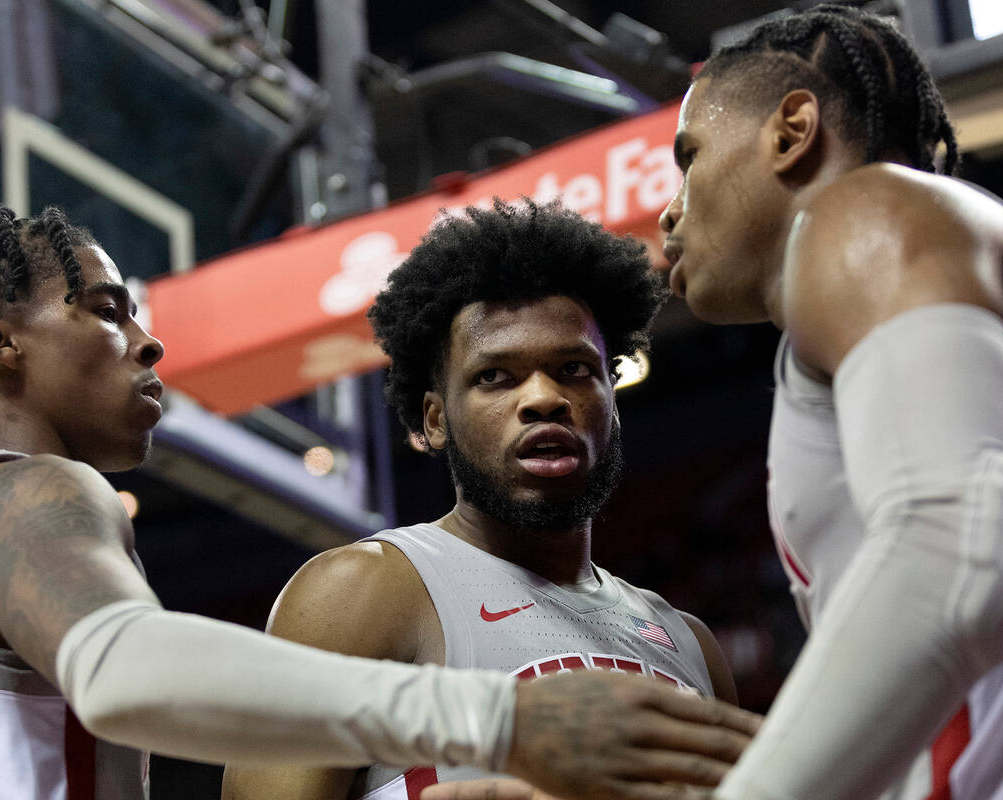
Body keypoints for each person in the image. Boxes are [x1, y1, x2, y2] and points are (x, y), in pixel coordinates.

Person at [0, 205, 762, 799]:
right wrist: (503, 720)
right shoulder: (24, 488)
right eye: (109, 308)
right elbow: (125, 670)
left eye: (576, 371)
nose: (148, 343)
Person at [428, 5, 1003, 800]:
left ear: (791, 131)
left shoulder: (865, 214)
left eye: (690, 159)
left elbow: (963, 561)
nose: (671, 211)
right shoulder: (943, 266)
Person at [222, 199, 761, 800]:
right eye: (495, 377)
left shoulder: (690, 643)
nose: (544, 398)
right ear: (434, 420)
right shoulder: (362, 593)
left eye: (575, 369)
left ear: (612, 392)